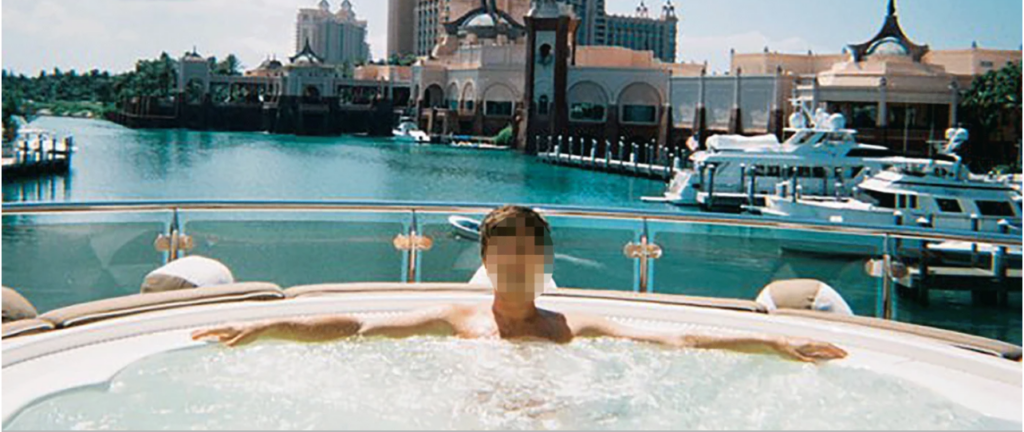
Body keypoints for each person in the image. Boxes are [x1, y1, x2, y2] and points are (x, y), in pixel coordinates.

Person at [193, 205, 846, 362]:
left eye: (525, 256)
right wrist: (270, 325)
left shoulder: (570, 328)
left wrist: (773, 346)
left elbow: (673, 338)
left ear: (541, 262)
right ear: (486, 260)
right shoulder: (458, 319)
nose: (513, 268)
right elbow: (359, 327)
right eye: (502, 256)